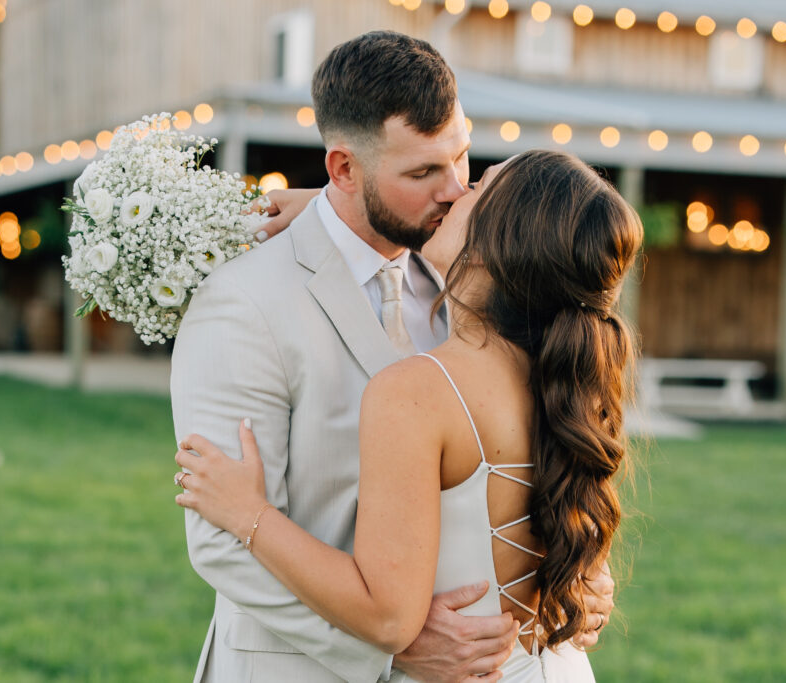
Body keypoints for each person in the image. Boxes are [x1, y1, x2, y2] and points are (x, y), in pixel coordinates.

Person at [170, 31, 614, 683]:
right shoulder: (245, 301)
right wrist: (391, 643)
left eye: (462, 158)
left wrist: (575, 573)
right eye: (421, 173)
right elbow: (219, 541)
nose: (455, 190)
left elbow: (549, 431)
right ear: (344, 170)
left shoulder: (482, 285)